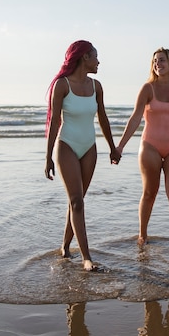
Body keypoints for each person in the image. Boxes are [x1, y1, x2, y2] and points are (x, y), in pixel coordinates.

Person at [45, 40, 121, 271]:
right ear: (84, 57)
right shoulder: (62, 85)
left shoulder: (96, 86)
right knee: (76, 201)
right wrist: (48, 156)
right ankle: (86, 258)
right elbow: (54, 123)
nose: (99, 62)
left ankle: (65, 246)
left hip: (89, 147)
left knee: (77, 202)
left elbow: (103, 118)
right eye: (96, 57)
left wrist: (113, 147)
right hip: (67, 145)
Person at [116, 47, 169, 253]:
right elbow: (135, 118)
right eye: (155, 61)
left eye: (161, 60)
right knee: (149, 192)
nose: (157, 64)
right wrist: (120, 146)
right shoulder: (147, 88)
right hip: (150, 145)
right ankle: (143, 234)